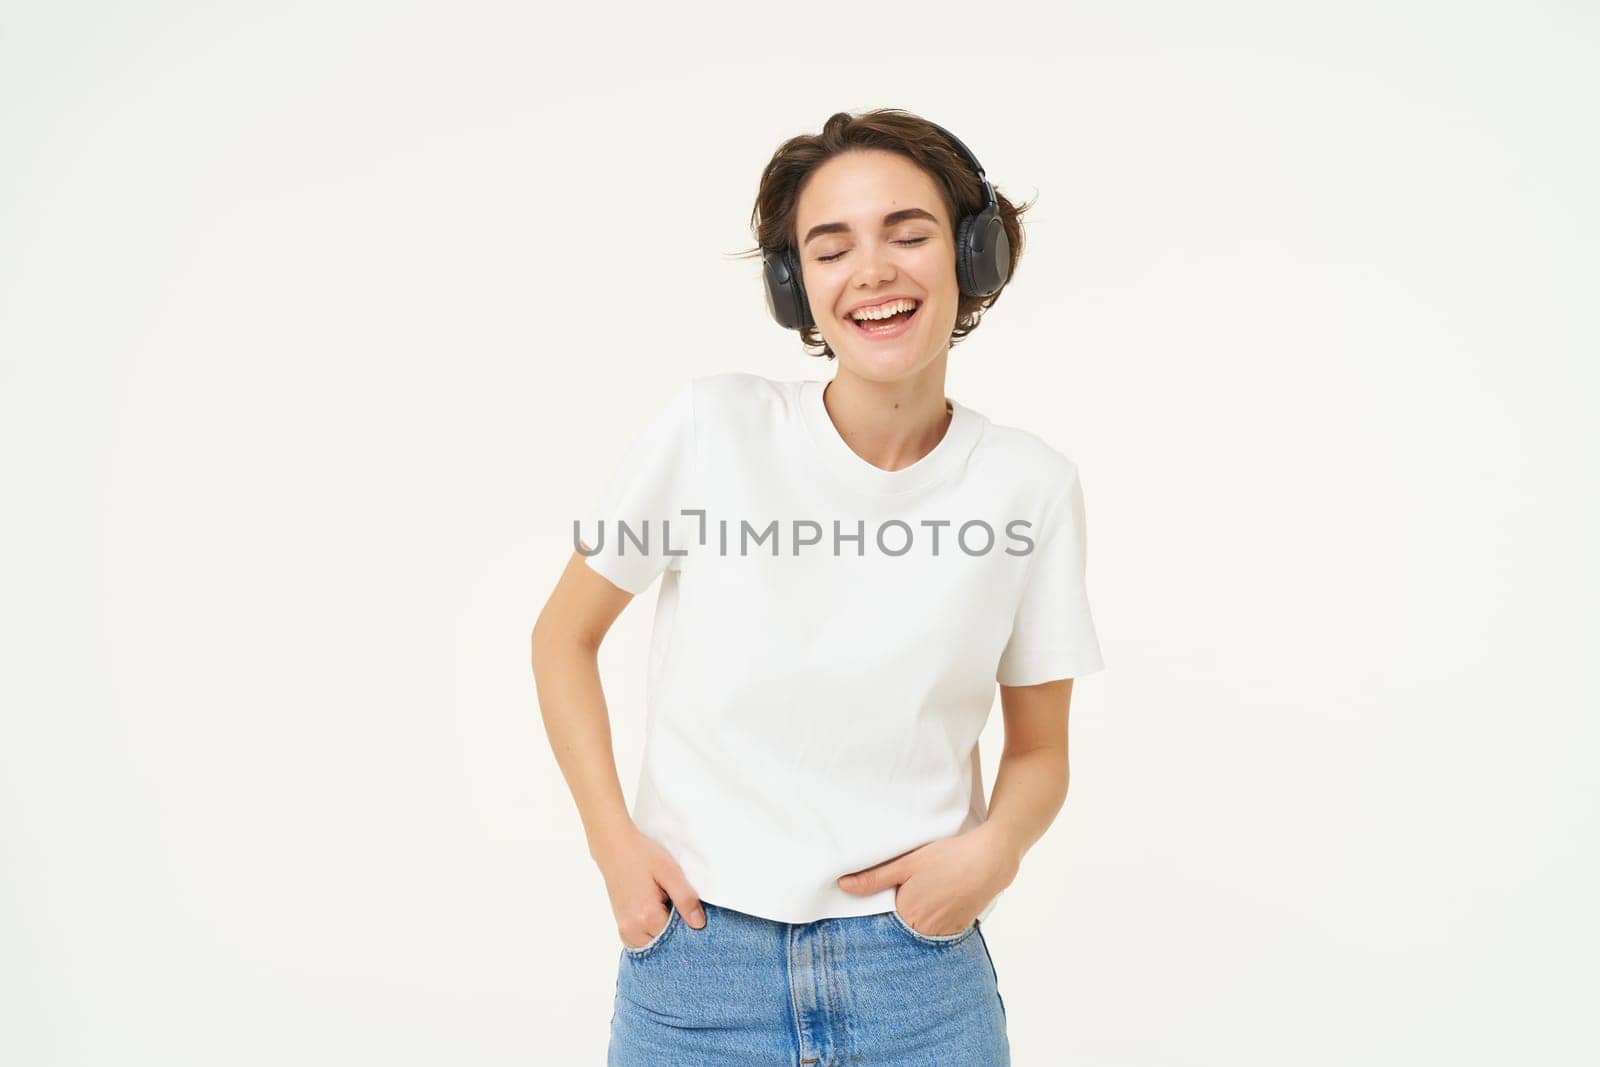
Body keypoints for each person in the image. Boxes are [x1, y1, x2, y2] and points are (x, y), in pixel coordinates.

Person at [531, 108, 1105, 1066]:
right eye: (830, 249)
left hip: (916, 976)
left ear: (977, 252)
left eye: (908, 234)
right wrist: (614, 848)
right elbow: (562, 637)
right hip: (700, 969)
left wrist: (992, 851)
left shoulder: (1030, 486)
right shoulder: (711, 429)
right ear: (796, 286)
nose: (872, 272)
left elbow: (1041, 749)